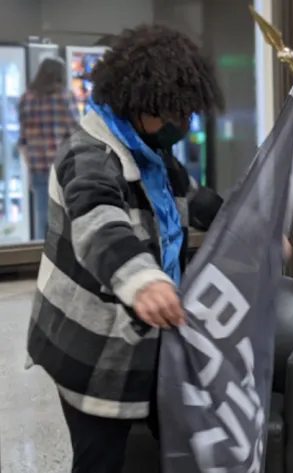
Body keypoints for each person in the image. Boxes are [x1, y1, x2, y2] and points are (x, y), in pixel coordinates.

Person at [25, 25, 230, 473]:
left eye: (188, 113)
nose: (183, 125)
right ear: (137, 105)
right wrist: (143, 281)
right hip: (91, 347)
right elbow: (100, 223)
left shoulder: (151, 151)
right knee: (101, 457)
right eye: (173, 113)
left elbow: (194, 198)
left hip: (152, 340)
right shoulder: (89, 153)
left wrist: (251, 225)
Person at [17, 57, 79, 240]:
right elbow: (75, 133)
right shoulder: (65, 97)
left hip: (38, 168)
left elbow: (23, 140)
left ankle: (40, 258)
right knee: (66, 216)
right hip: (64, 167)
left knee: (42, 215)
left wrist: (29, 167)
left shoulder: (26, 99)